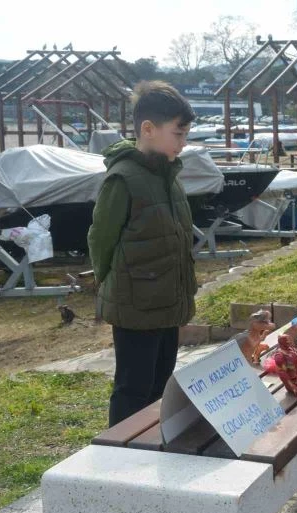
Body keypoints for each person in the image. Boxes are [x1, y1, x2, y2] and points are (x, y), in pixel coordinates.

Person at [88, 81, 198, 427]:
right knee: (133, 388)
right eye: (178, 134)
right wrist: (111, 286)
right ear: (148, 130)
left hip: (168, 302)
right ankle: (117, 457)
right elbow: (100, 241)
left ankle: (150, 451)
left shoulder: (170, 177)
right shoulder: (122, 179)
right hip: (136, 307)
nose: (183, 143)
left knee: (160, 386)